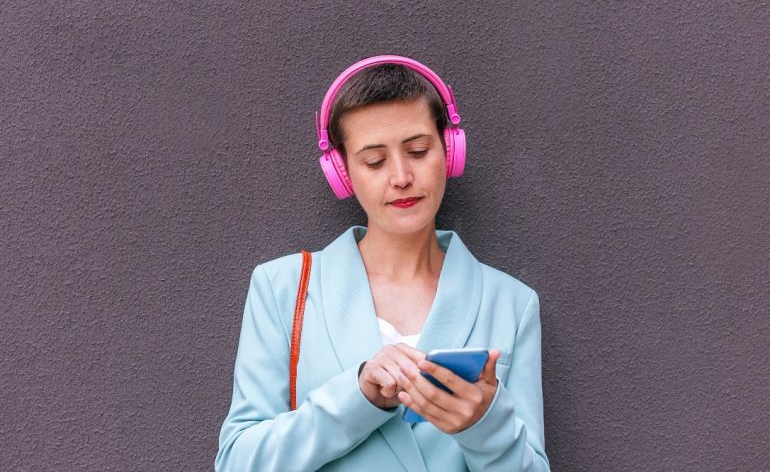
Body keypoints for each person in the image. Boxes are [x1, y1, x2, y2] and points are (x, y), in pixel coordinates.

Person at [215, 55, 550, 471]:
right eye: (374, 161)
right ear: (342, 171)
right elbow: (236, 463)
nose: (401, 177)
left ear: (449, 150)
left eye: (418, 151)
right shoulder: (282, 288)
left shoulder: (512, 304)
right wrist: (359, 397)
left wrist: (483, 426)